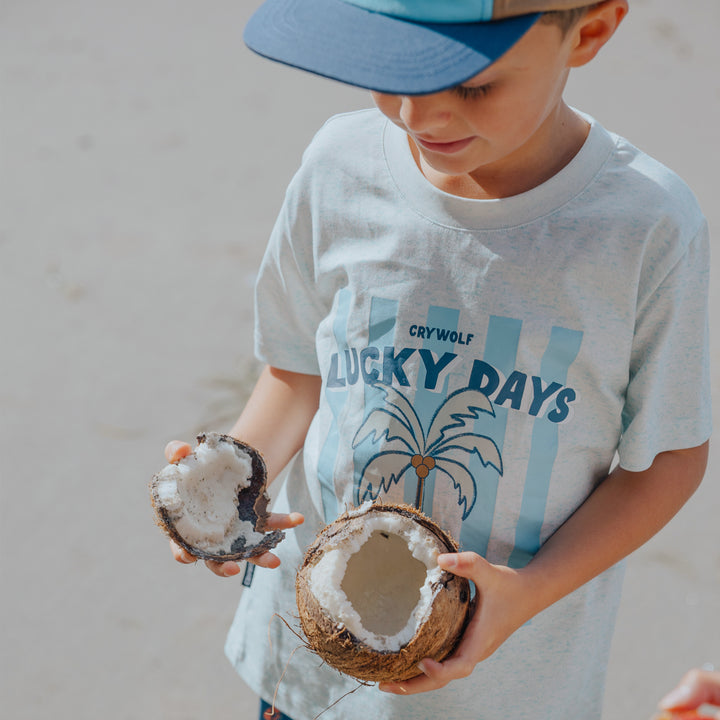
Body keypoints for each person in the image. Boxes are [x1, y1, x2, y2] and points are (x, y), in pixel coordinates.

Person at [162, 1, 713, 719]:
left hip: (509, 686)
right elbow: (298, 370)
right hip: (308, 668)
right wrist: (239, 476)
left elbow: (668, 461)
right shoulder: (339, 167)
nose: (422, 117)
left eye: (474, 86)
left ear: (591, 31)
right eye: (391, 74)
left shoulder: (645, 229)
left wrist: (528, 594)